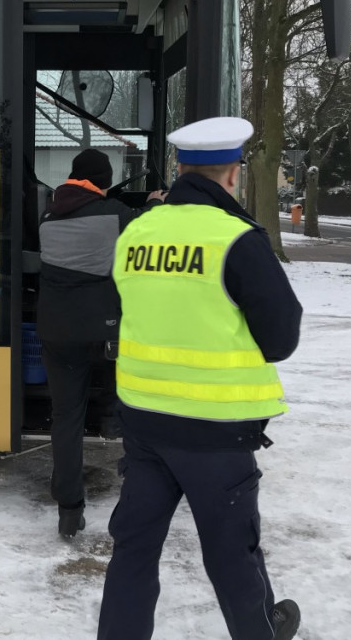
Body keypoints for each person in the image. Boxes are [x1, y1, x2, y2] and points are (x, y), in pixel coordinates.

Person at [97, 118, 304, 640]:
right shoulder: (236, 238)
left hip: (143, 423)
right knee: (232, 553)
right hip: (216, 431)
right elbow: (281, 337)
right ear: (231, 175)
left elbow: (126, 306)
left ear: (180, 170)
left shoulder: (136, 232)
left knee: (134, 550)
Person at [36, 148, 165, 538]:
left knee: (66, 419)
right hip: (105, 331)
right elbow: (143, 228)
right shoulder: (116, 216)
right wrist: (154, 204)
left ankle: (69, 510)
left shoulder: (47, 216)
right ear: (103, 182)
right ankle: (138, 493)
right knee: (129, 409)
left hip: (57, 333)